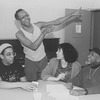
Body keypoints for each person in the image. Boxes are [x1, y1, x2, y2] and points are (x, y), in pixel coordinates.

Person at [14, 8, 82, 82]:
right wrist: (44, 33)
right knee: (31, 83)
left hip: (43, 59)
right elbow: (33, 46)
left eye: (27, 15)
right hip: (30, 61)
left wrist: (72, 14)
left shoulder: (38, 25)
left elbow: (56, 22)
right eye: (23, 17)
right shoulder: (19, 34)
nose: (26, 18)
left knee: (44, 81)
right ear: (18, 21)